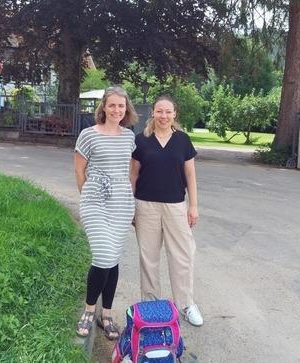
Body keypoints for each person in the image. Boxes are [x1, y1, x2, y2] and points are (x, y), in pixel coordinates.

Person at [130, 95, 203, 326]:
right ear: (153, 113)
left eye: (168, 112)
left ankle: (186, 304)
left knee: (182, 256)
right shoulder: (141, 141)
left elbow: (190, 175)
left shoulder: (182, 140)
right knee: (148, 258)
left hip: (175, 206)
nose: (163, 116)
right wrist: (131, 205)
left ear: (174, 114)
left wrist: (193, 205)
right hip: (145, 206)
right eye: (159, 111)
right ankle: (151, 304)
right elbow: (133, 175)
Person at [74, 86, 138, 340]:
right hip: (95, 200)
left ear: (126, 109)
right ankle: (90, 310)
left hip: (121, 202)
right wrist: (88, 197)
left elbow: (130, 172)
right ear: (103, 107)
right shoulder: (88, 135)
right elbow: (80, 172)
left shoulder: (129, 137)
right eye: (112, 105)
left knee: (113, 258)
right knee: (102, 255)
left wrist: (131, 201)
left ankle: (107, 314)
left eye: (121, 106)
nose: (116, 110)